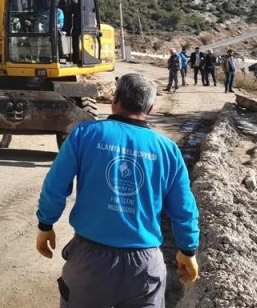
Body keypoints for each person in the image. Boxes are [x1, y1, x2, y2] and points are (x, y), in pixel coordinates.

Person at [35, 73, 200, 307]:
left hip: (89, 262)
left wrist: (45, 225)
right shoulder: (167, 150)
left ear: (115, 99)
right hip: (145, 267)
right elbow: (184, 208)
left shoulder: (85, 134)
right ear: (150, 108)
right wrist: (188, 249)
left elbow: (55, 187)